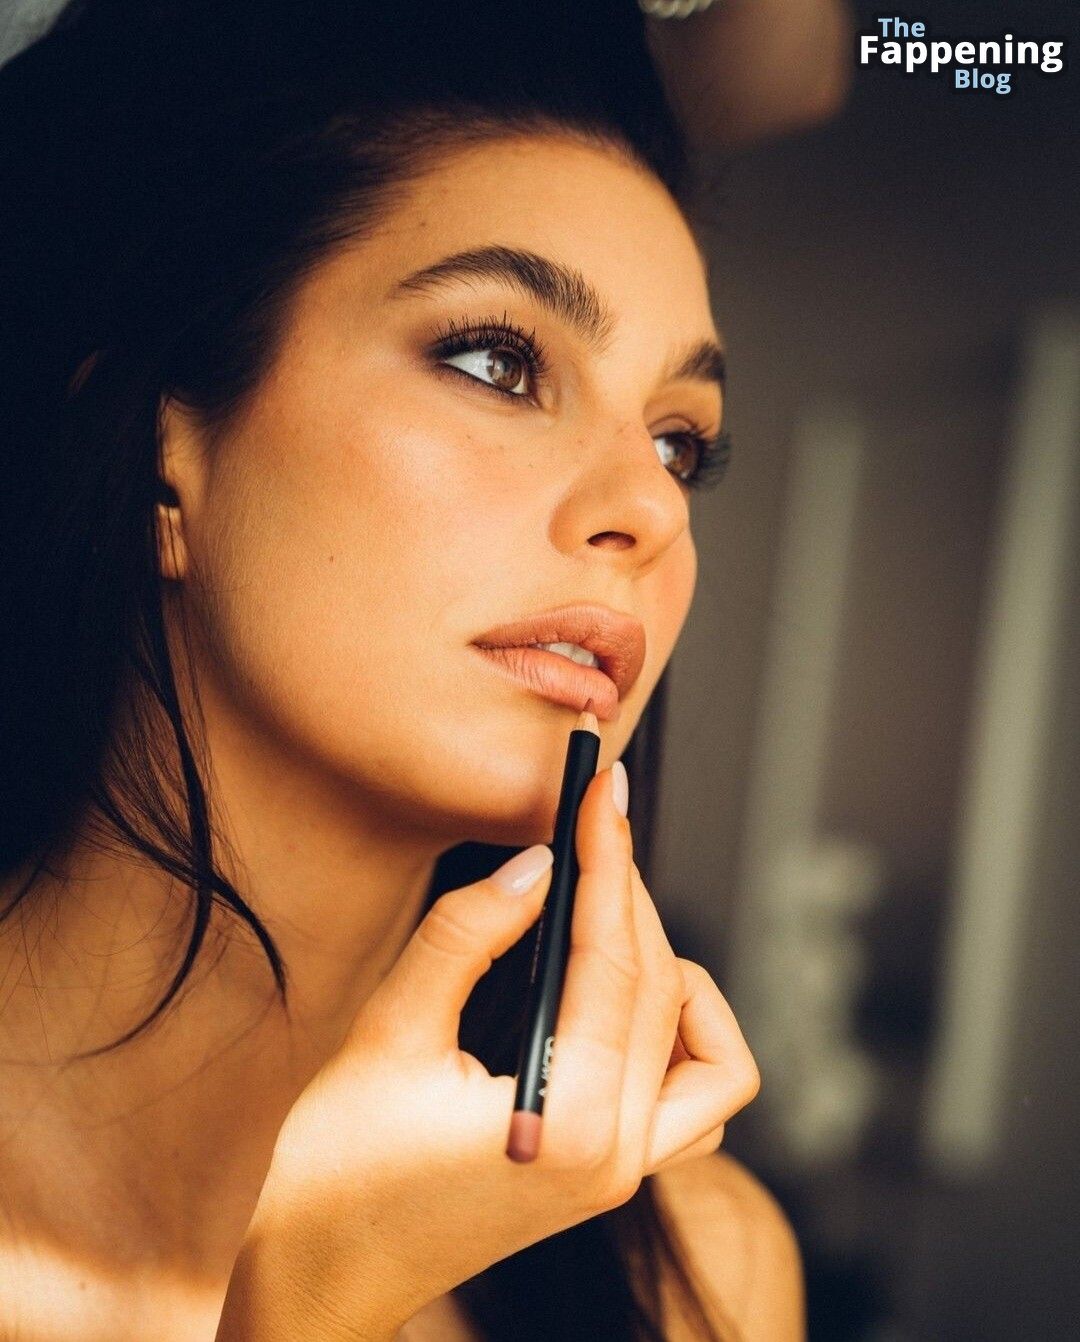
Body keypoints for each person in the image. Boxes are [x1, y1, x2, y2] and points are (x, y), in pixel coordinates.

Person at [0, 2, 806, 1337]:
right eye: (498, 362)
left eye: (680, 442)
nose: (650, 510)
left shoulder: (702, 1275)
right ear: (155, 447)